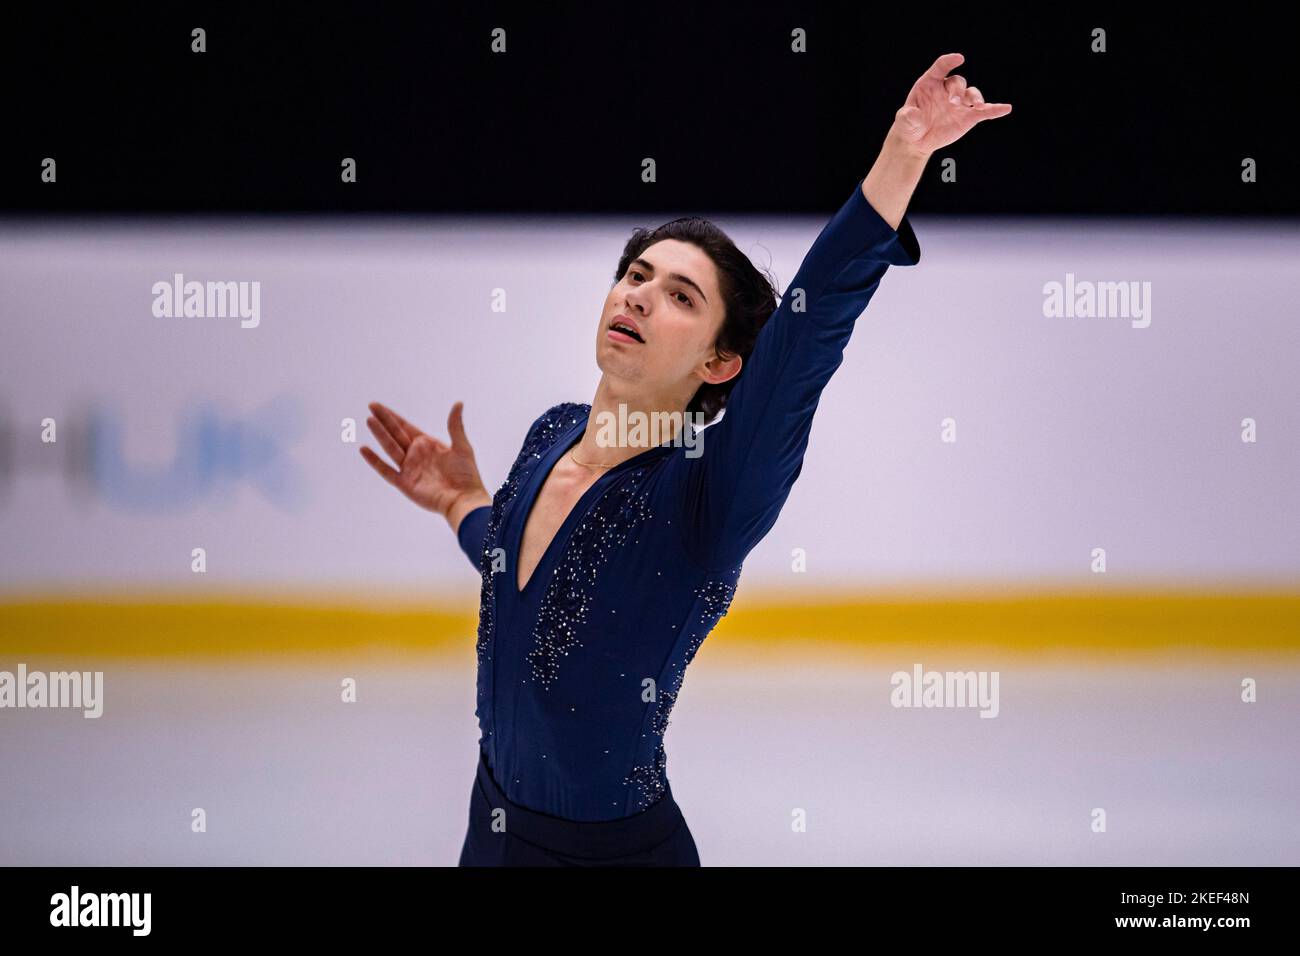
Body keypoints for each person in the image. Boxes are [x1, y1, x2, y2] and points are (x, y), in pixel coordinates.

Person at [361, 52, 1011, 865]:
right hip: (488, 834)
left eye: (680, 296)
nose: (636, 294)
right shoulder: (549, 433)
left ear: (720, 362)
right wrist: (462, 503)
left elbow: (807, 338)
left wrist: (902, 155)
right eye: (636, 275)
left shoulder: (708, 498)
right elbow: (523, 567)